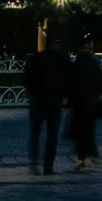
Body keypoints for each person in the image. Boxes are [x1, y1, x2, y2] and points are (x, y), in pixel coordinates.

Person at [23, 40, 69, 175]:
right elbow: (68, 81)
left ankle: (33, 161)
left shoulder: (36, 58)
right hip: (54, 102)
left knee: (35, 133)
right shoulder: (61, 60)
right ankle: (48, 166)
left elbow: (26, 79)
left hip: (37, 101)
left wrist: (33, 93)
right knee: (52, 135)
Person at [66, 36, 102, 172]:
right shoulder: (94, 64)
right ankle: (91, 153)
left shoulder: (75, 64)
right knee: (89, 129)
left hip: (79, 103)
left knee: (80, 130)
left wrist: (70, 104)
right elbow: (101, 82)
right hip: (91, 102)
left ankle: (81, 158)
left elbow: (70, 86)